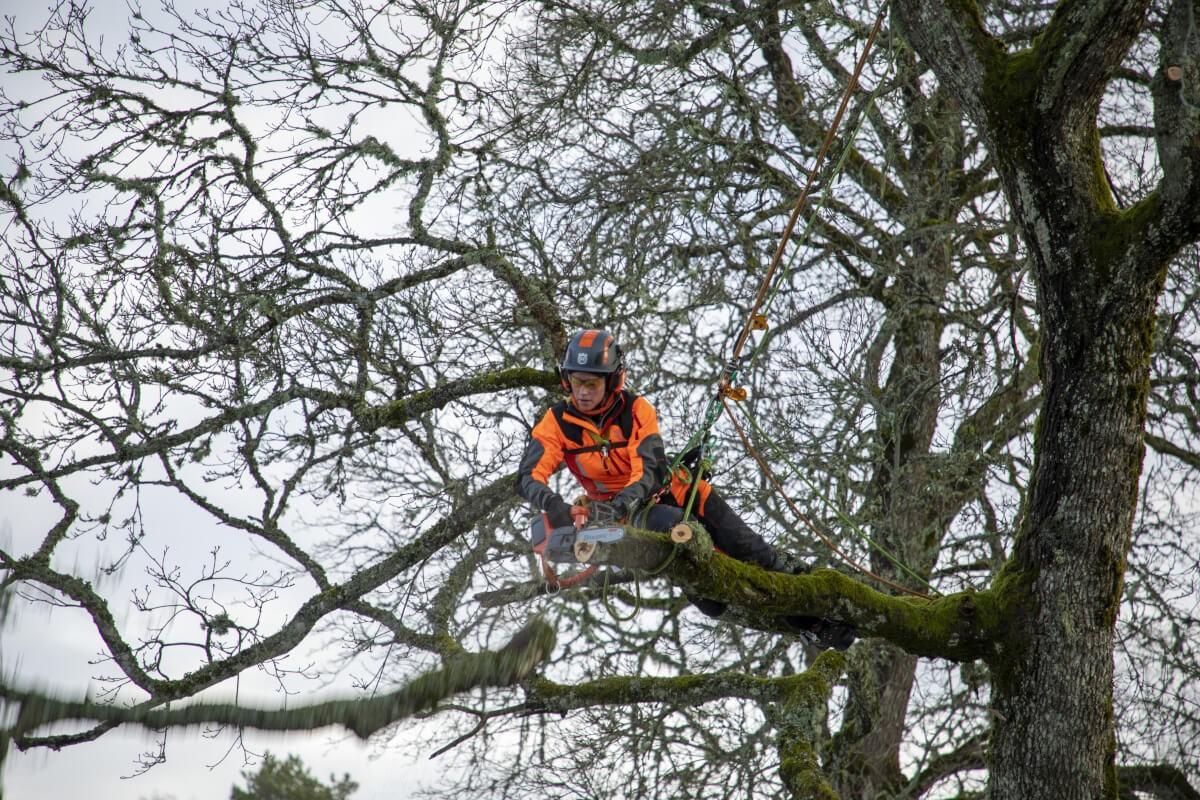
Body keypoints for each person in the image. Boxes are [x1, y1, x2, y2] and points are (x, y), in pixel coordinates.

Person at [515, 328, 855, 650]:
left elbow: (647, 471)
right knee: (695, 568)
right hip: (637, 516)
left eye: (591, 383)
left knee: (752, 550)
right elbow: (528, 476)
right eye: (577, 382)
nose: (583, 392)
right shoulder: (557, 422)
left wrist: (616, 506)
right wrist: (554, 504)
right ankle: (797, 620)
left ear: (612, 381)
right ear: (566, 380)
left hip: (669, 491)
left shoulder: (636, 411)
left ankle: (817, 613)